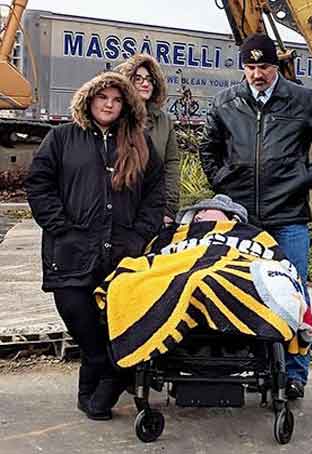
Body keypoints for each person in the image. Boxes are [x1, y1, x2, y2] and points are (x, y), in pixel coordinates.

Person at [199, 33, 312, 399]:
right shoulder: (226, 101)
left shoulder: (302, 100)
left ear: (276, 66)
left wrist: (306, 178)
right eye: (250, 66)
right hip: (240, 219)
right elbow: (208, 147)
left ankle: (295, 374)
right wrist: (221, 181)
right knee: (239, 289)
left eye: (264, 66)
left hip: (289, 216)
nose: (257, 74)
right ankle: (250, 362)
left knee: (293, 293)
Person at [25, 72, 164, 421]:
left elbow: (155, 195)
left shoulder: (139, 143)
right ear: (88, 100)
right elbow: (39, 185)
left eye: (117, 100)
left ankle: (93, 398)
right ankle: (107, 382)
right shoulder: (61, 139)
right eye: (103, 98)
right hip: (70, 253)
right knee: (84, 326)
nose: (109, 105)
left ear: (125, 105)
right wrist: (61, 228)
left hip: (121, 256)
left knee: (113, 330)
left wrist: (137, 237)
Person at [116, 54, 181, 224]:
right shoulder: (116, 119)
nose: (145, 84)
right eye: (138, 79)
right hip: (120, 209)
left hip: (154, 208)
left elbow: (171, 164)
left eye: (149, 79)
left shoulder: (164, 121)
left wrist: (169, 208)